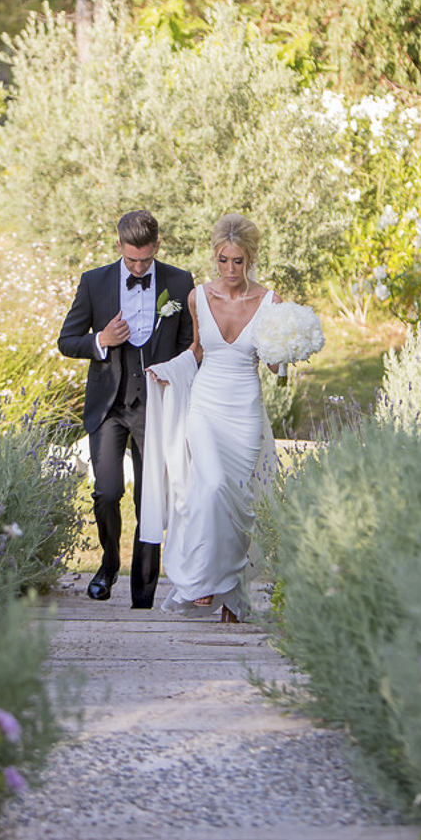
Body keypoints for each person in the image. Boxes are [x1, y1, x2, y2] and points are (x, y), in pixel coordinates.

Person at [140, 213, 280, 623]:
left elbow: (273, 366)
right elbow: (199, 349)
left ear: (250, 258)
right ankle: (202, 580)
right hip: (205, 406)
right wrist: (169, 371)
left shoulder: (270, 302)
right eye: (223, 260)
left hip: (244, 408)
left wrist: (288, 351)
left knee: (238, 499)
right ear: (214, 256)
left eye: (238, 261)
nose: (230, 270)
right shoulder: (198, 297)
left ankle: (232, 593)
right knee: (213, 485)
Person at [58, 210, 194, 608]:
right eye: (132, 259)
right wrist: (100, 340)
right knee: (107, 491)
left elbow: (189, 343)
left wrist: (173, 371)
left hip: (156, 406)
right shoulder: (94, 282)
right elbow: (67, 340)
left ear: (157, 247)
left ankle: (143, 591)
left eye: (146, 260)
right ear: (118, 246)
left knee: (149, 497)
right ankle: (108, 565)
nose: (138, 267)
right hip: (109, 406)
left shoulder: (179, 282)